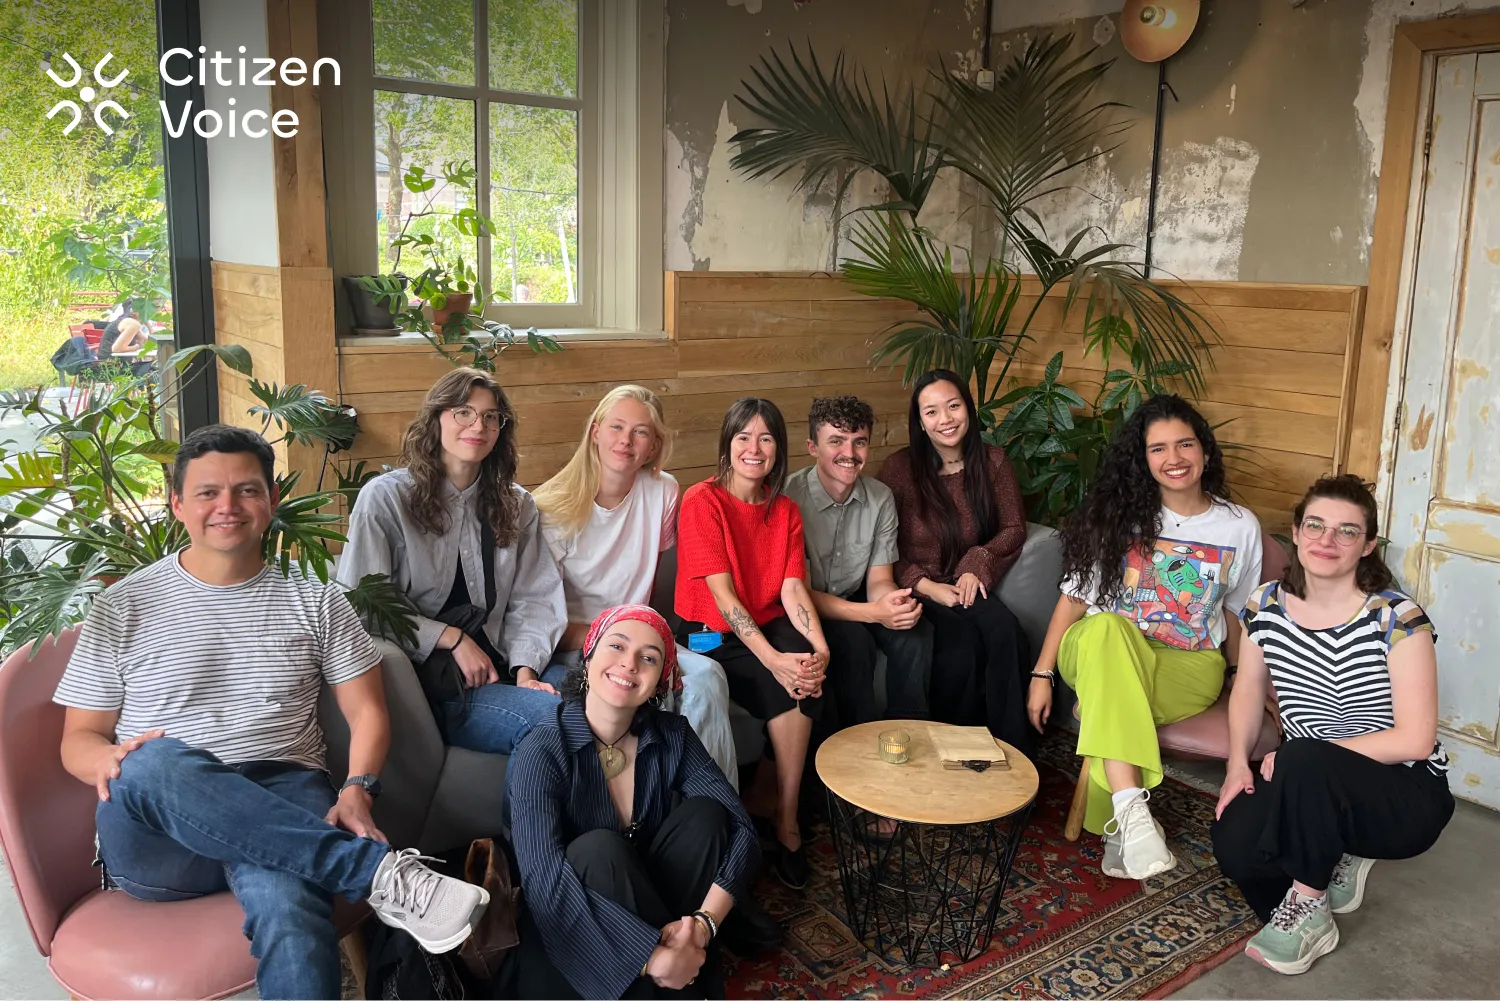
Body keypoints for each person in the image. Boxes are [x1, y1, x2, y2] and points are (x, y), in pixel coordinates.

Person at [53, 425, 488, 1000]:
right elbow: (78, 741)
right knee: (150, 760)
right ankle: (373, 873)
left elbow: (368, 713)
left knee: (290, 910)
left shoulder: (318, 598)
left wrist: (358, 789)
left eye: (247, 491)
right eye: (207, 493)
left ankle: (355, 869)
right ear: (178, 503)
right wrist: (112, 761)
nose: (227, 507)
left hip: (283, 791)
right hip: (159, 833)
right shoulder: (125, 604)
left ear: (272, 499)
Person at [1212, 475, 1452, 975]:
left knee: (1305, 760)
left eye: (1346, 531)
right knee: (1236, 849)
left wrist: (1312, 759)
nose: (1326, 540)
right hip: (1305, 776)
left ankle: (1310, 905)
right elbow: (1250, 690)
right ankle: (1328, 853)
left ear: (1366, 546)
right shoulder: (1266, 604)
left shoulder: (1396, 617)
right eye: (1316, 525)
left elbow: (1416, 738)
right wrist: (1238, 765)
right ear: (1296, 533)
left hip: (1402, 789)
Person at [1026, 394, 1263, 880]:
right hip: (1096, 645)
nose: (1173, 459)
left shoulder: (1239, 527)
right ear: (1143, 459)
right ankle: (1134, 811)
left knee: (1108, 702)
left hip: (1190, 664)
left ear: (1205, 451)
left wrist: (1239, 675)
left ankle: (1125, 819)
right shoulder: (1118, 517)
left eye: (1184, 445)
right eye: (1158, 449)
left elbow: (1239, 612)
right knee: (1109, 627)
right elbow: (1074, 599)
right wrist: (1041, 673)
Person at [508, 604, 759, 1000]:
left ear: (661, 680)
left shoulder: (672, 733)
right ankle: (672, 980)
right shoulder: (541, 748)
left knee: (708, 817)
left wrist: (704, 923)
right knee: (599, 849)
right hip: (577, 929)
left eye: (648, 658)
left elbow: (742, 829)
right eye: (617, 646)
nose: (629, 664)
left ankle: (683, 959)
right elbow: (545, 884)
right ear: (588, 657)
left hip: (657, 902)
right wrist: (649, 958)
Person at [338, 367, 567, 754]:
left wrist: (526, 672)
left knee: (609, 703)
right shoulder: (386, 499)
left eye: (490, 416)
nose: (478, 424)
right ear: (436, 418)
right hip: (442, 683)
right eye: (463, 411)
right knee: (553, 721)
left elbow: (536, 598)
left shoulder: (516, 505)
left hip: (507, 665)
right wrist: (450, 638)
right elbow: (363, 604)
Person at [532, 385, 738, 788]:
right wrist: (614, 641)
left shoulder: (662, 491)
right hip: (575, 642)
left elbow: (654, 579)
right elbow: (541, 619)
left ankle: (712, 808)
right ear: (595, 432)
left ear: (654, 445)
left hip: (644, 636)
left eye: (640, 432)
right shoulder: (550, 508)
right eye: (616, 427)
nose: (625, 441)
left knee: (708, 676)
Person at [674, 397, 830, 889]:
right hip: (707, 631)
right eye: (743, 436)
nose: (754, 448)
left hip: (766, 618)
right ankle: (785, 823)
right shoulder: (702, 500)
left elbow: (791, 587)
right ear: (728, 443)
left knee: (809, 674)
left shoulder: (784, 509)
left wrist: (818, 647)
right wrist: (775, 662)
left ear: (778, 450)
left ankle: (777, 807)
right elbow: (722, 597)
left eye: (765, 438)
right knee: (784, 681)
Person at [878, 370, 1032, 751]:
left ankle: (1013, 750)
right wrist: (925, 586)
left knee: (1006, 633)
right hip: (916, 587)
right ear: (919, 421)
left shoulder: (994, 461)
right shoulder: (899, 469)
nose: (945, 419)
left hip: (967, 581)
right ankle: (958, 753)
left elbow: (1014, 527)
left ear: (968, 408)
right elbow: (882, 545)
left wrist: (977, 560)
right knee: (958, 646)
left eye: (953, 406)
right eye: (931, 412)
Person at [785, 395, 933, 725]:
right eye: (836, 441)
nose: (850, 454)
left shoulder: (880, 498)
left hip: (855, 598)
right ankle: (855, 749)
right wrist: (873, 614)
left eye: (859, 442)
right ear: (812, 447)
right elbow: (799, 593)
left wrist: (892, 605)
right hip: (802, 609)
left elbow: (879, 580)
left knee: (917, 634)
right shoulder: (788, 499)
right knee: (854, 644)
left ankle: (907, 733)